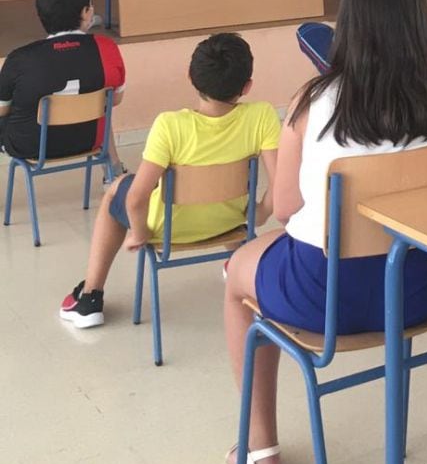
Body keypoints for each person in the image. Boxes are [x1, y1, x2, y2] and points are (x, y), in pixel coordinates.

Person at [223, 0, 427, 464]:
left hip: (323, 296)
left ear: (350, 25)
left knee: (235, 280)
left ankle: (260, 450)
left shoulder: (312, 101)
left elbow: (287, 209)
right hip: (422, 288)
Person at [58, 33, 280, 329]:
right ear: (247, 86)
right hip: (232, 221)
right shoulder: (263, 116)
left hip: (166, 229)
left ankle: (89, 299)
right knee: (226, 189)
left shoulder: (170, 125)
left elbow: (137, 198)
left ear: (191, 77)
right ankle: (236, 262)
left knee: (117, 190)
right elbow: (279, 186)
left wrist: (139, 233)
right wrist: (259, 214)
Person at [0, 0, 126, 174]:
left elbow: (2, 110)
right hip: (90, 140)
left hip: (31, 147)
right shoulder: (107, 48)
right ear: (86, 13)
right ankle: (114, 175)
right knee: (101, 104)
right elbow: (115, 99)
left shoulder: (19, 59)